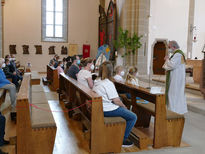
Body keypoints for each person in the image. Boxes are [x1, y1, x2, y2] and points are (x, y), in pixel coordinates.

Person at [93, 61, 137, 147]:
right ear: (111, 71)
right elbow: (116, 101)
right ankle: (123, 139)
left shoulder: (97, 80)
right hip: (106, 109)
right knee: (133, 117)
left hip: (99, 107)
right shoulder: (108, 83)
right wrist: (124, 107)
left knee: (122, 106)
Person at [163, 40, 188, 114]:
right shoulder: (177, 54)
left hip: (176, 79)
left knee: (173, 94)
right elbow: (171, 65)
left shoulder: (178, 54)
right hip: (176, 78)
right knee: (175, 94)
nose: (168, 48)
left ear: (174, 46)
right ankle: (175, 109)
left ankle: (173, 110)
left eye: (169, 47)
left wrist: (167, 59)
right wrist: (167, 62)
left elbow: (172, 65)